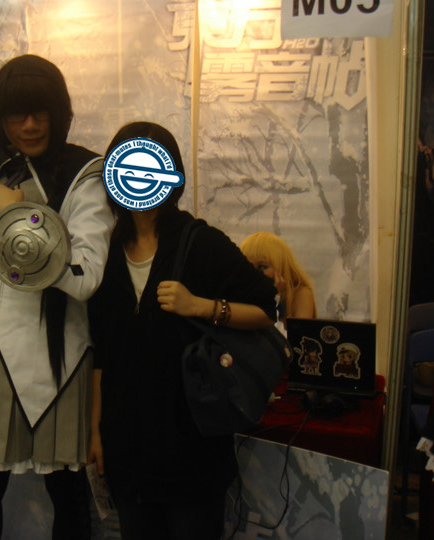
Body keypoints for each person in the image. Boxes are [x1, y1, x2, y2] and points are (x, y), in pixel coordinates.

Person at [0, 54, 115, 540]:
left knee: (68, 495)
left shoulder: (87, 173)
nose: (29, 125)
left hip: (57, 357)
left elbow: (86, 277)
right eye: (15, 114)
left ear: (58, 112)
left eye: (39, 111)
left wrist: (17, 217)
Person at [88, 122, 278, 539]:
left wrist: (203, 307)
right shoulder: (105, 250)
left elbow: (266, 309)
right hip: (127, 448)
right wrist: (96, 431)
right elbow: (101, 351)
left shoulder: (200, 242)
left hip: (191, 447)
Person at [240, 231, 316, 330]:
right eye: (248, 266)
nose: (254, 273)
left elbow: (297, 336)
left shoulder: (300, 293)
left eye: (262, 267)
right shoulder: (242, 293)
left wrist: (275, 297)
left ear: (282, 268)